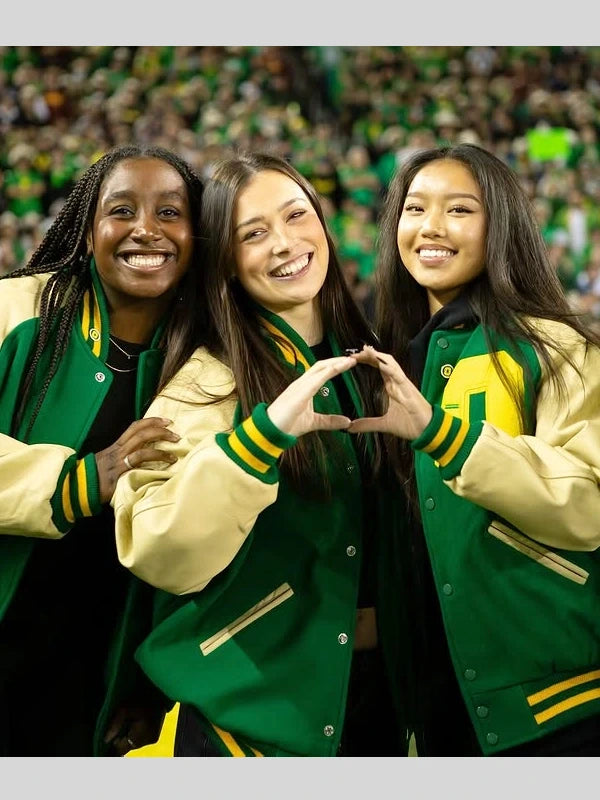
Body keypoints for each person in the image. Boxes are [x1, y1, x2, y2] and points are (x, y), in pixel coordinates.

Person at [112, 151, 407, 757]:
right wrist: (260, 438)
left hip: (371, 704)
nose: (284, 243)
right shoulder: (205, 380)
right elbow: (159, 547)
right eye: (254, 234)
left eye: (296, 216)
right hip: (249, 720)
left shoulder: (374, 363)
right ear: (226, 261)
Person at [348, 143, 600, 756]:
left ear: (502, 226)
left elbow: (588, 501)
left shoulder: (557, 347)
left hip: (553, 699)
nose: (431, 226)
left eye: (459, 209)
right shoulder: (386, 358)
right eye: (414, 208)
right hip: (432, 700)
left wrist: (444, 436)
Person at [0, 144, 205, 756]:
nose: (146, 228)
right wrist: (82, 480)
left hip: (95, 680)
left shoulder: (210, 362)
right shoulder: (18, 310)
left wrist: (150, 685)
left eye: (170, 213)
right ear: (88, 230)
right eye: (122, 210)